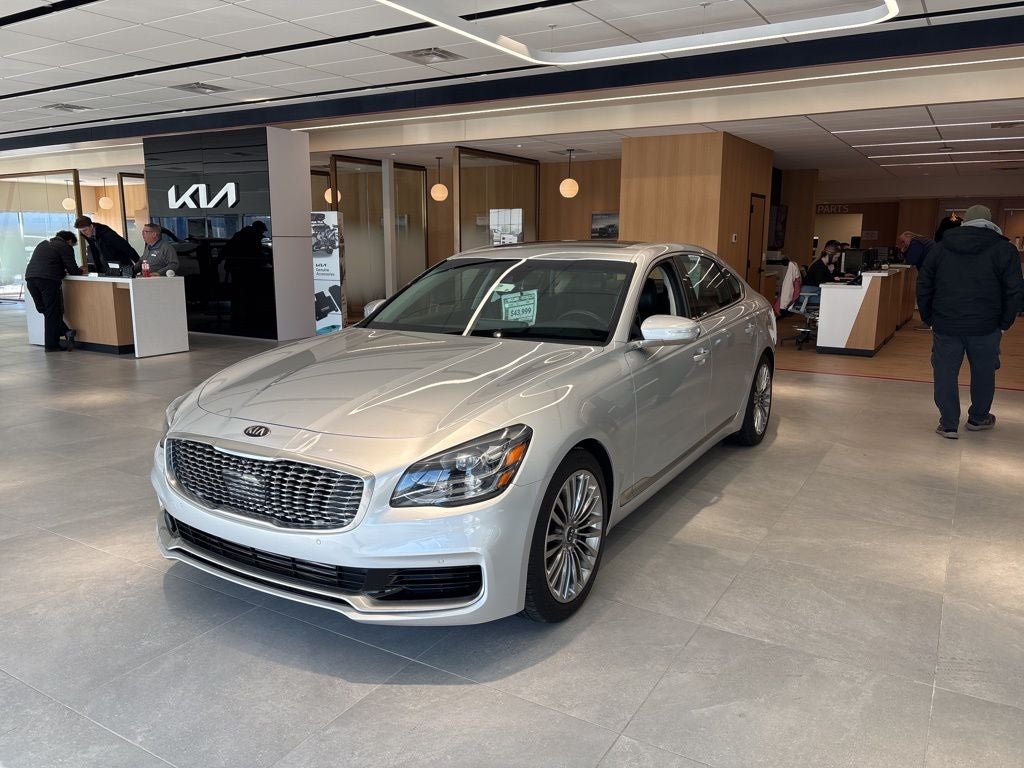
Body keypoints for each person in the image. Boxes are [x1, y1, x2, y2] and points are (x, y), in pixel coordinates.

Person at [917, 204, 1023, 439]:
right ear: (991, 222)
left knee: (945, 372)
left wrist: (928, 317)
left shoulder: (940, 247)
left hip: (946, 322)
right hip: (987, 324)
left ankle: (948, 424)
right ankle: (978, 418)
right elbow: (1014, 290)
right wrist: (1005, 323)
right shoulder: (1004, 250)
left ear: (965, 223)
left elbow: (924, 285)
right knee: (984, 372)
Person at [25, 230, 82, 351]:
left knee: (44, 309)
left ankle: (66, 331)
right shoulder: (65, 247)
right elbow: (73, 270)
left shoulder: (43, 244)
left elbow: (47, 263)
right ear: (69, 241)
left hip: (30, 279)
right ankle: (52, 345)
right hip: (48, 281)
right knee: (52, 312)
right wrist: (82, 270)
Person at [898, 231, 937, 330]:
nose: (902, 243)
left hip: (929, 272)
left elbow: (911, 260)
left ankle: (928, 322)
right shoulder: (922, 240)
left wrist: (904, 251)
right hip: (935, 270)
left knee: (923, 295)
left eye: (903, 241)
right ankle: (932, 322)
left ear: (909, 237)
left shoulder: (915, 243)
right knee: (931, 296)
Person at [74, 215, 139, 274]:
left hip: (122, 268)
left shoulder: (108, 235)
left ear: (91, 226)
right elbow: (97, 254)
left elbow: (127, 248)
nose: (84, 233)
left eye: (85, 230)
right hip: (107, 269)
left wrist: (140, 266)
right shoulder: (89, 235)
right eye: (81, 231)